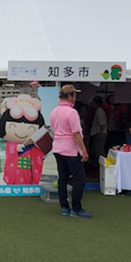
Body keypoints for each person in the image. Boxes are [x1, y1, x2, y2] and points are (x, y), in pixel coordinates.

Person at [50, 85, 91, 218]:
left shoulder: (54, 111)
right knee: (79, 178)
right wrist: (83, 150)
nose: (75, 97)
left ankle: (64, 207)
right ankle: (76, 208)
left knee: (63, 177)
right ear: (70, 96)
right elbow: (76, 133)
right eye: (74, 95)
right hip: (71, 150)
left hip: (58, 148)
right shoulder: (72, 112)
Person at [89, 96, 107, 162]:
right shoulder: (98, 111)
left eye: (93, 103)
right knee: (97, 150)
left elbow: (103, 124)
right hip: (98, 132)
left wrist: (100, 134)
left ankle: (103, 164)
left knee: (100, 151)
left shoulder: (100, 111)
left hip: (100, 133)